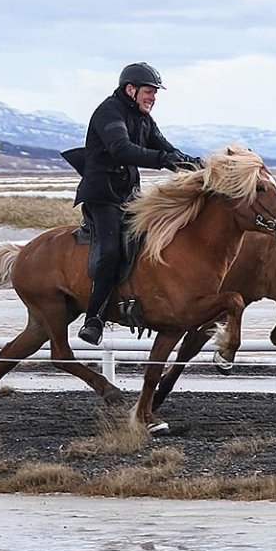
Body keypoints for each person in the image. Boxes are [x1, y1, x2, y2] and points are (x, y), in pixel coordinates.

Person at [71, 62, 201, 345]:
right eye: (149, 92)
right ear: (130, 90)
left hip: (128, 195)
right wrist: (162, 160)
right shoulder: (109, 112)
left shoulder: (143, 119)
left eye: (155, 93)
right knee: (111, 250)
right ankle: (95, 317)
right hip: (102, 196)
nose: (153, 98)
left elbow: (163, 146)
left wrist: (193, 164)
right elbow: (121, 149)